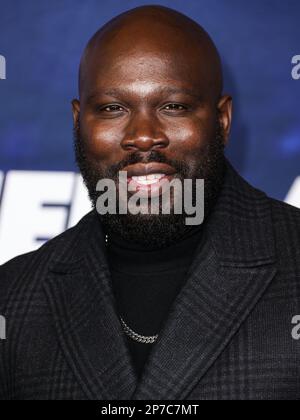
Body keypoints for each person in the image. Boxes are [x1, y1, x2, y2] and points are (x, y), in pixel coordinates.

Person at [0, 5, 299, 400]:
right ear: (78, 122)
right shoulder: (15, 298)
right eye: (112, 108)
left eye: (173, 106)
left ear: (222, 120)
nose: (143, 136)